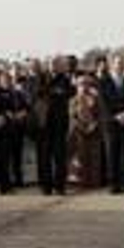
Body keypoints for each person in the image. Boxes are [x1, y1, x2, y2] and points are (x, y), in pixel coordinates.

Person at [36, 58, 72, 195]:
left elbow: (68, 93)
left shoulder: (65, 78)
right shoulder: (42, 77)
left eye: (56, 64)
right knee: (45, 157)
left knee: (60, 157)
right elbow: (39, 93)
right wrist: (55, 91)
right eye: (51, 64)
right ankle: (46, 187)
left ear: (60, 66)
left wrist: (52, 92)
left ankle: (60, 186)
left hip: (60, 122)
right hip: (44, 123)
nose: (54, 66)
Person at [101, 58, 124, 193]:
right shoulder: (104, 82)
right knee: (112, 154)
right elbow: (102, 103)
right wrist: (115, 116)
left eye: (121, 64)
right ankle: (113, 184)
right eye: (117, 64)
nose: (119, 66)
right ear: (112, 66)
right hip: (111, 123)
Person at [69, 75, 104, 189]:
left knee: (94, 156)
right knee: (81, 157)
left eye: (86, 84)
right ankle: (82, 182)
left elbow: (101, 114)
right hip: (79, 132)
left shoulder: (96, 99)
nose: (84, 87)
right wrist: (82, 127)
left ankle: (94, 182)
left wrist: (94, 125)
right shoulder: (73, 100)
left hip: (94, 131)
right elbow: (72, 117)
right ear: (77, 86)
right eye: (81, 84)